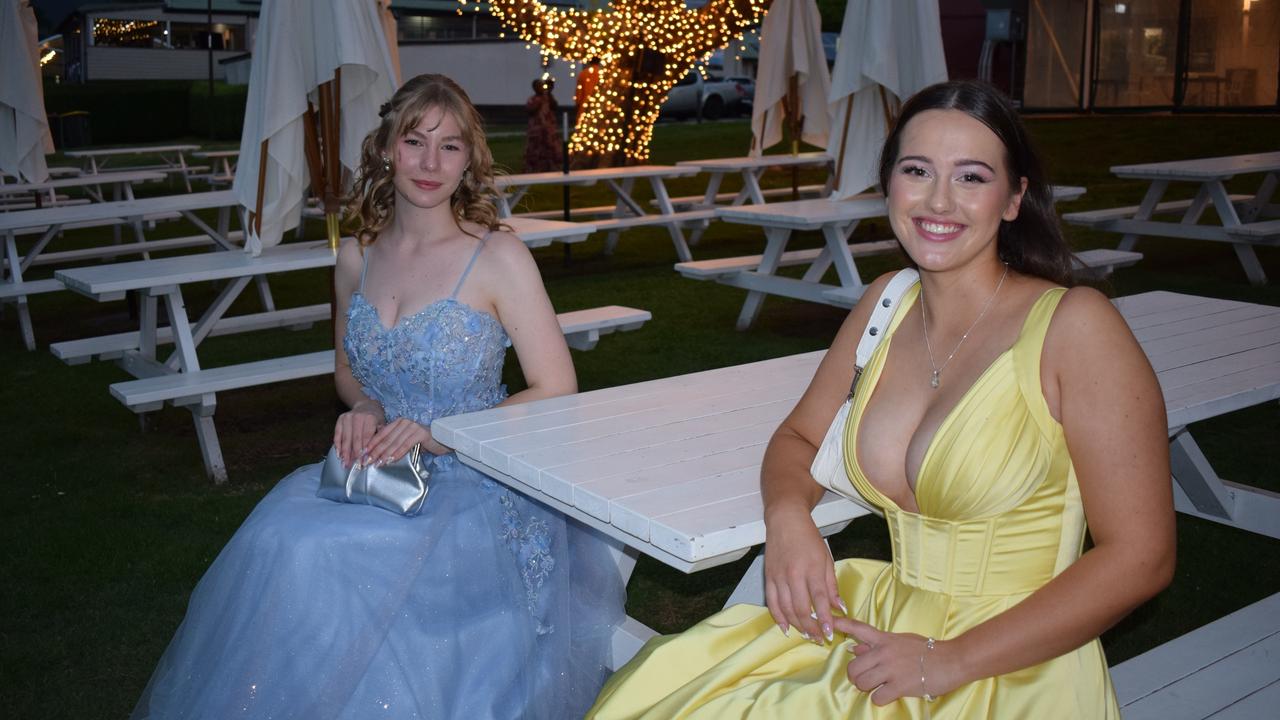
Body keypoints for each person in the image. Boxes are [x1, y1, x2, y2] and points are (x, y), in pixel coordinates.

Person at [586, 79, 1175, 718]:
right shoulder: (888, 303)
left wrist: (946, 660)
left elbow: (1141, 558)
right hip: (882, 620)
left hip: (1010, 660)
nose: (939, 200)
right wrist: (789, 519)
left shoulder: (1076, 326)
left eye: (972, 177)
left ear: (1014, 199)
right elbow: (798, 439)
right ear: (888, 182)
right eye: (917, 170)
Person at [132, 74, 624, 720]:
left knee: (319, 557)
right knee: (279, 542)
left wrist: (442, 431)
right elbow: (345, 370)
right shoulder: (357, 256)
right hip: (375, 472)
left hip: (474, 488)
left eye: (449, 146)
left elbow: (558, 386)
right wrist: (364, 406)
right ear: (387, 147)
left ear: (470, 158)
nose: (429, 163)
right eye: (414, 141)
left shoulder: (499, 258)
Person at [523, 77, 562, 173]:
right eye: (538, 86)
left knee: (550, 148)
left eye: (542, 85)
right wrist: (539, 101)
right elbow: (530, 110)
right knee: (535, 149)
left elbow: (555, 106)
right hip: (536, 129)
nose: (541, 88)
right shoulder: (533, 99)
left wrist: (549, 92)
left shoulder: (548, 97)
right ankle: (535, 167)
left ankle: (551, 166)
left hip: (549, 128)